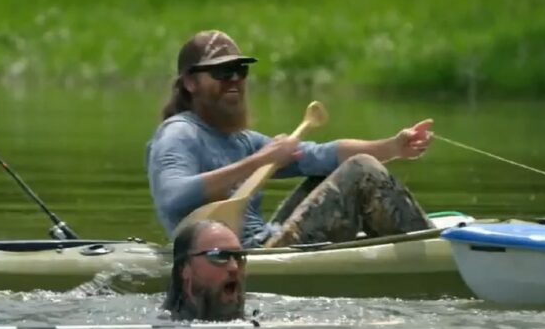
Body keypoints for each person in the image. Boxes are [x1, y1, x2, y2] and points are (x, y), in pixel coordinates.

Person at [146, 29, 436, 249]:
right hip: (229, 256)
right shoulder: (178, 133)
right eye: (222, 72)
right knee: (361, 169)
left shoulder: (241, 140)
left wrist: (393, 147)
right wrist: (261, 160)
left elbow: (324, 155)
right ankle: (432, 247)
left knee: (331, 172)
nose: (234, 79)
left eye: (240, 70)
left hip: (266, 242)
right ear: (190, 82)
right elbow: (173, 197)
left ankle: (418, 242)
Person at [164, 219, 247, 321]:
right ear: (184, 268)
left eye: (238, 256)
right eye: (219, 256)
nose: (234, 267)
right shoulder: (163, 328)